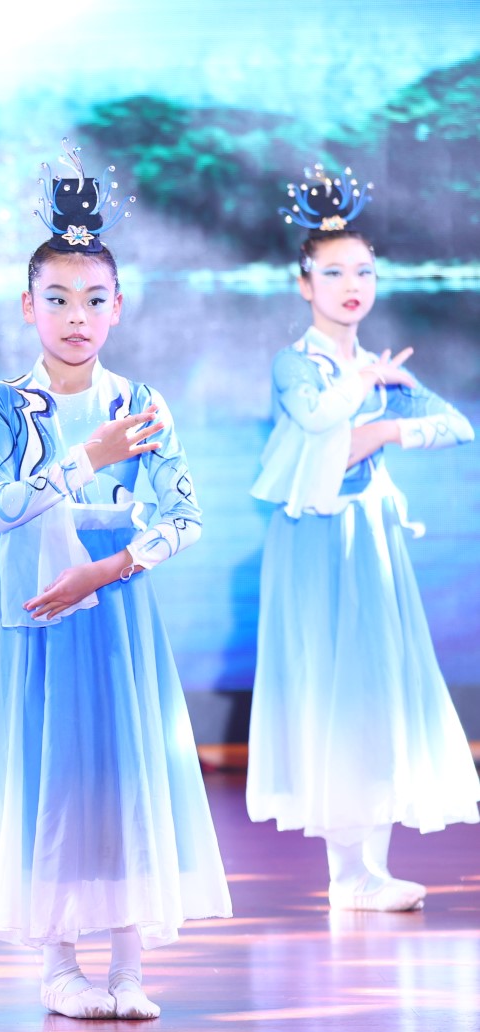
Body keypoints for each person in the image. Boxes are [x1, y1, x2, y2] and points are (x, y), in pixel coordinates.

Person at [0, 147, 232, 1020]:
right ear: (27, 306)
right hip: (45, 611)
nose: (75, 317)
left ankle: (128, 966)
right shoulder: (5, 404)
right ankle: (59, 965)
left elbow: (185, 515)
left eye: (93, 299)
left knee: (125, 774)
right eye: (57, 298)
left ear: (118, 306)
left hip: (115, 605)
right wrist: (87, 458)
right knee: (56, 777)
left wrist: (111, 568)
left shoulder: (140, 400)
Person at [246, 167, 478, 912]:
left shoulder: (379, 371)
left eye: (364, 272)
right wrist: (366, 389)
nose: (352, 285)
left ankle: (369, 871)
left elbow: (456, 424)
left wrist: (387, 429)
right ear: (304, 284)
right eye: (334, 272)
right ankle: (346, 873)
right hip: (315, 538)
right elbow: (319, 421)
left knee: (376, 686)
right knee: (330, 688)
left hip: (371, 535)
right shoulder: (297, 363)